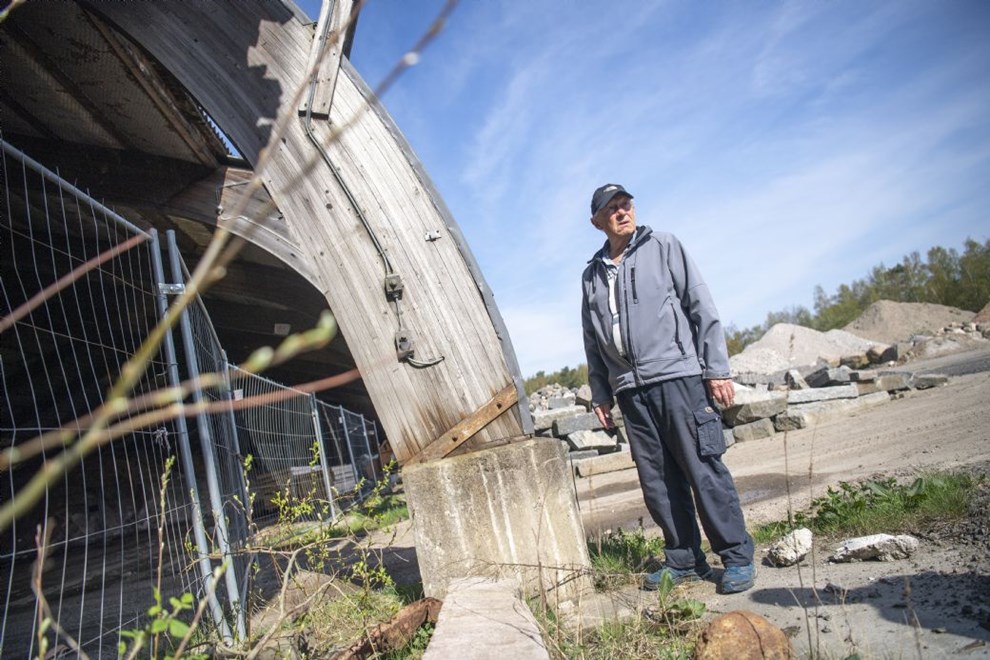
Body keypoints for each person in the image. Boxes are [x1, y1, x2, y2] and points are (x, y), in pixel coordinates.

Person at [580, 183, 755, 594]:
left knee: (703, 469)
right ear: (597, 222)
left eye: (626, 204)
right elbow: (592, 338)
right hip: (630, 390)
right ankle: (684, 560)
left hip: (678, 377)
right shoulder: (592, 275)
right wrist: (601, 392)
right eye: (612, 208)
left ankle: (736, 556)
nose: (622, 212)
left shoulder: (663, 246)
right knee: (657, 480)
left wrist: (716, 369)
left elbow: (701, 306)